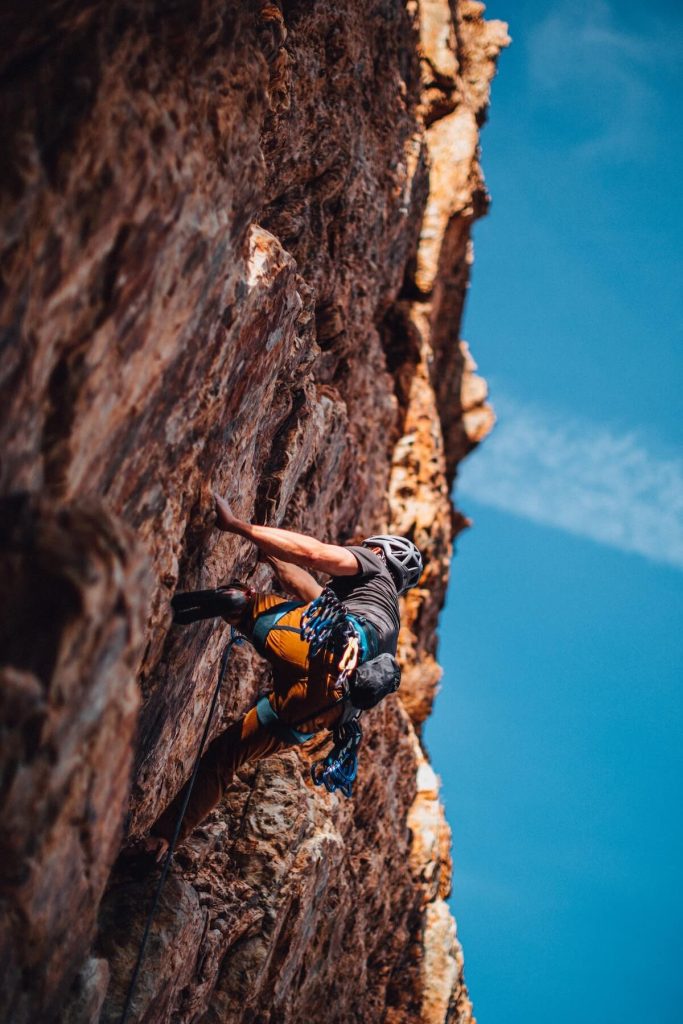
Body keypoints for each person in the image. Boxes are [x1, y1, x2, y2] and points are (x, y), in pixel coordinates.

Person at [145, 495, 423, 859]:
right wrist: (272, 556)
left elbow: (313, 554)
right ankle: (162, 843)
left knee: (243, 605)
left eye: (368, 547)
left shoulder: (373, 567)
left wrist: (238, 527)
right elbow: (309, 592)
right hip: (324, 708)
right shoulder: (385, 623)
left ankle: (187, 607)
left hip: (323, 646)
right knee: (226, 755)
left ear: (381, 553)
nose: (361, 549)